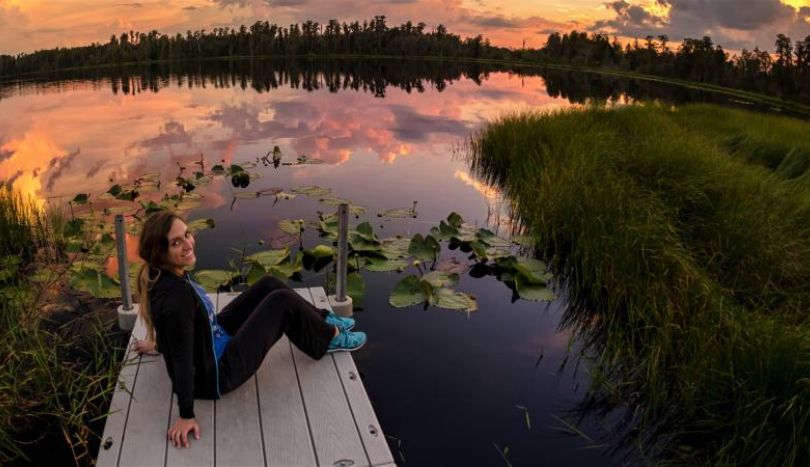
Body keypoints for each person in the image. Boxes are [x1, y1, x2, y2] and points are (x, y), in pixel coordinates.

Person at [130, 210, 366, 449]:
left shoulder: (165, 274)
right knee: (280, 302)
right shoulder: (176, 297)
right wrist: (186, 415)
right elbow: (181, 359)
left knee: (269, 284)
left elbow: (177, 332)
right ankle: (327, 340)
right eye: (175, 242)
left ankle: (323, 320)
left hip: (214, 336)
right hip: (219, 372)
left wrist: (159, 345)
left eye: (187, 235)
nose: (188, 244)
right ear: (160, 253)